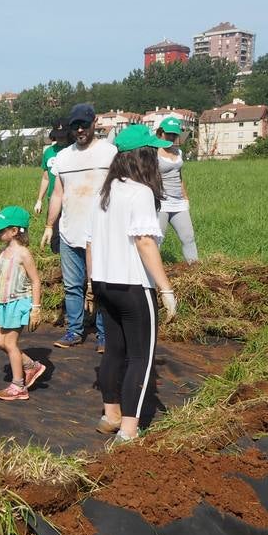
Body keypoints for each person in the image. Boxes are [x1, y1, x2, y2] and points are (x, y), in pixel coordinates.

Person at [86, 124, 178, 445]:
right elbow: (144, 242)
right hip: (134, 288)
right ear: (143, 156)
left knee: (114, 351)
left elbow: (89, 242)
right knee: (141, 358)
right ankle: (128, 430)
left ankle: (110, 415)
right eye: (152, 151)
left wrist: (90, 283)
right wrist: (165, 288)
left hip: (105, 285)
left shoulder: (105, 193)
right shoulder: (140, 192)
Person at [42, 103, 111, 351]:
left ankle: (104, 334)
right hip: (70, 232)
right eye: (76, 126)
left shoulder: (109, 153)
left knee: (101, 285)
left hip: (101, 234)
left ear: (95, 123)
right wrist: (50, 225)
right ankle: (74, 330)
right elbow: (58, 194)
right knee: (72, 286)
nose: (80, 129)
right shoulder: (63, 157)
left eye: (84, 124)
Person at [0, 206, 45, 401]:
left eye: (1, 229)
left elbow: (36, 280)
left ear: (14, 231)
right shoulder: (4, 252)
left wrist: (36, 309)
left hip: (18, 302)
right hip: (2, 302)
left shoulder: (24, 254)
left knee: (10, 343)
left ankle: (19, 386)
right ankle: (31, 365)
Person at [156, 116, 198, 263]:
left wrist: (185, 197)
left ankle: (196, 272)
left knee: (188, 237)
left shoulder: (178, 152)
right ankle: (151, 278)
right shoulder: (153, 152)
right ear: (160, 132)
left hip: (178, 202)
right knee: (157, 241)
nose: (172, 137)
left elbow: (179, 176)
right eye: (169, 134)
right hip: (161, 203)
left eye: (175, 134)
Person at [33, 121, 69, 218]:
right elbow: (46, 178)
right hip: (53, 199)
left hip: (71, 200)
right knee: (52, 230)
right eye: (58, 135)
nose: (60, 138)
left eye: (63, 135)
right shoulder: (48, 152)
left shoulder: (74, 150)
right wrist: (39, 200)